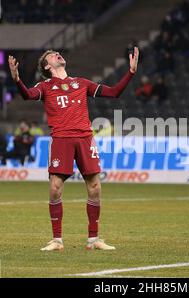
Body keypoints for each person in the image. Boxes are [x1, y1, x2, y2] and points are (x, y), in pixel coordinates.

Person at [8, 46, 139, 251]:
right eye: (52, 55)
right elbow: (27, 95)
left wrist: (131, 72)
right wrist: (17, 80)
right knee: (54, 188)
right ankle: (57, 240)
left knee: (95, 187)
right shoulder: (45, 86)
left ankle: (93, 240)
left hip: (85, 138)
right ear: (47, 65)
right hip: (61, 139)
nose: (57, 54)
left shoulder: (81, 83)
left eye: (57, 53)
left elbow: (114, 93)